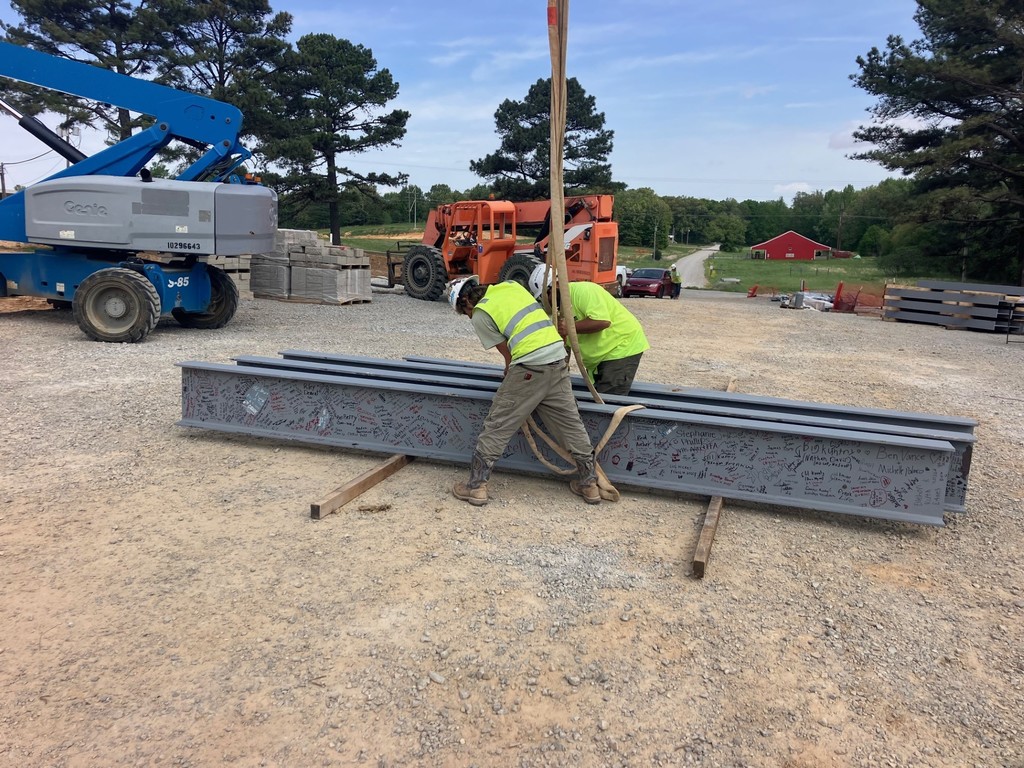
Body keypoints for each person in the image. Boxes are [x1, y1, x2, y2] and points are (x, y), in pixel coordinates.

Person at [445, 275, 601, 506]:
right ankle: (590, 484)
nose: (468, 316)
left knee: (498, 422)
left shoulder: (480, 313)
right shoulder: (510, 286)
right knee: (570, 423)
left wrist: (513, 380)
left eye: (465, 312)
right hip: (557, 358)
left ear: (465, 302)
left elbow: (507, 354)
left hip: (531, 366)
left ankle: (476, 486)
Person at [529, 265, 650, 396]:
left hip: (621, 347)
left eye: (546, 296)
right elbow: (563, 343)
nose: (546, 301)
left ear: (556, 285)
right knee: (599, 397)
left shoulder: (584, 291)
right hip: (602, 356)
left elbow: (602, 321)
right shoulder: (558, 309)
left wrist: (570, 328)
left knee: (608, 401)